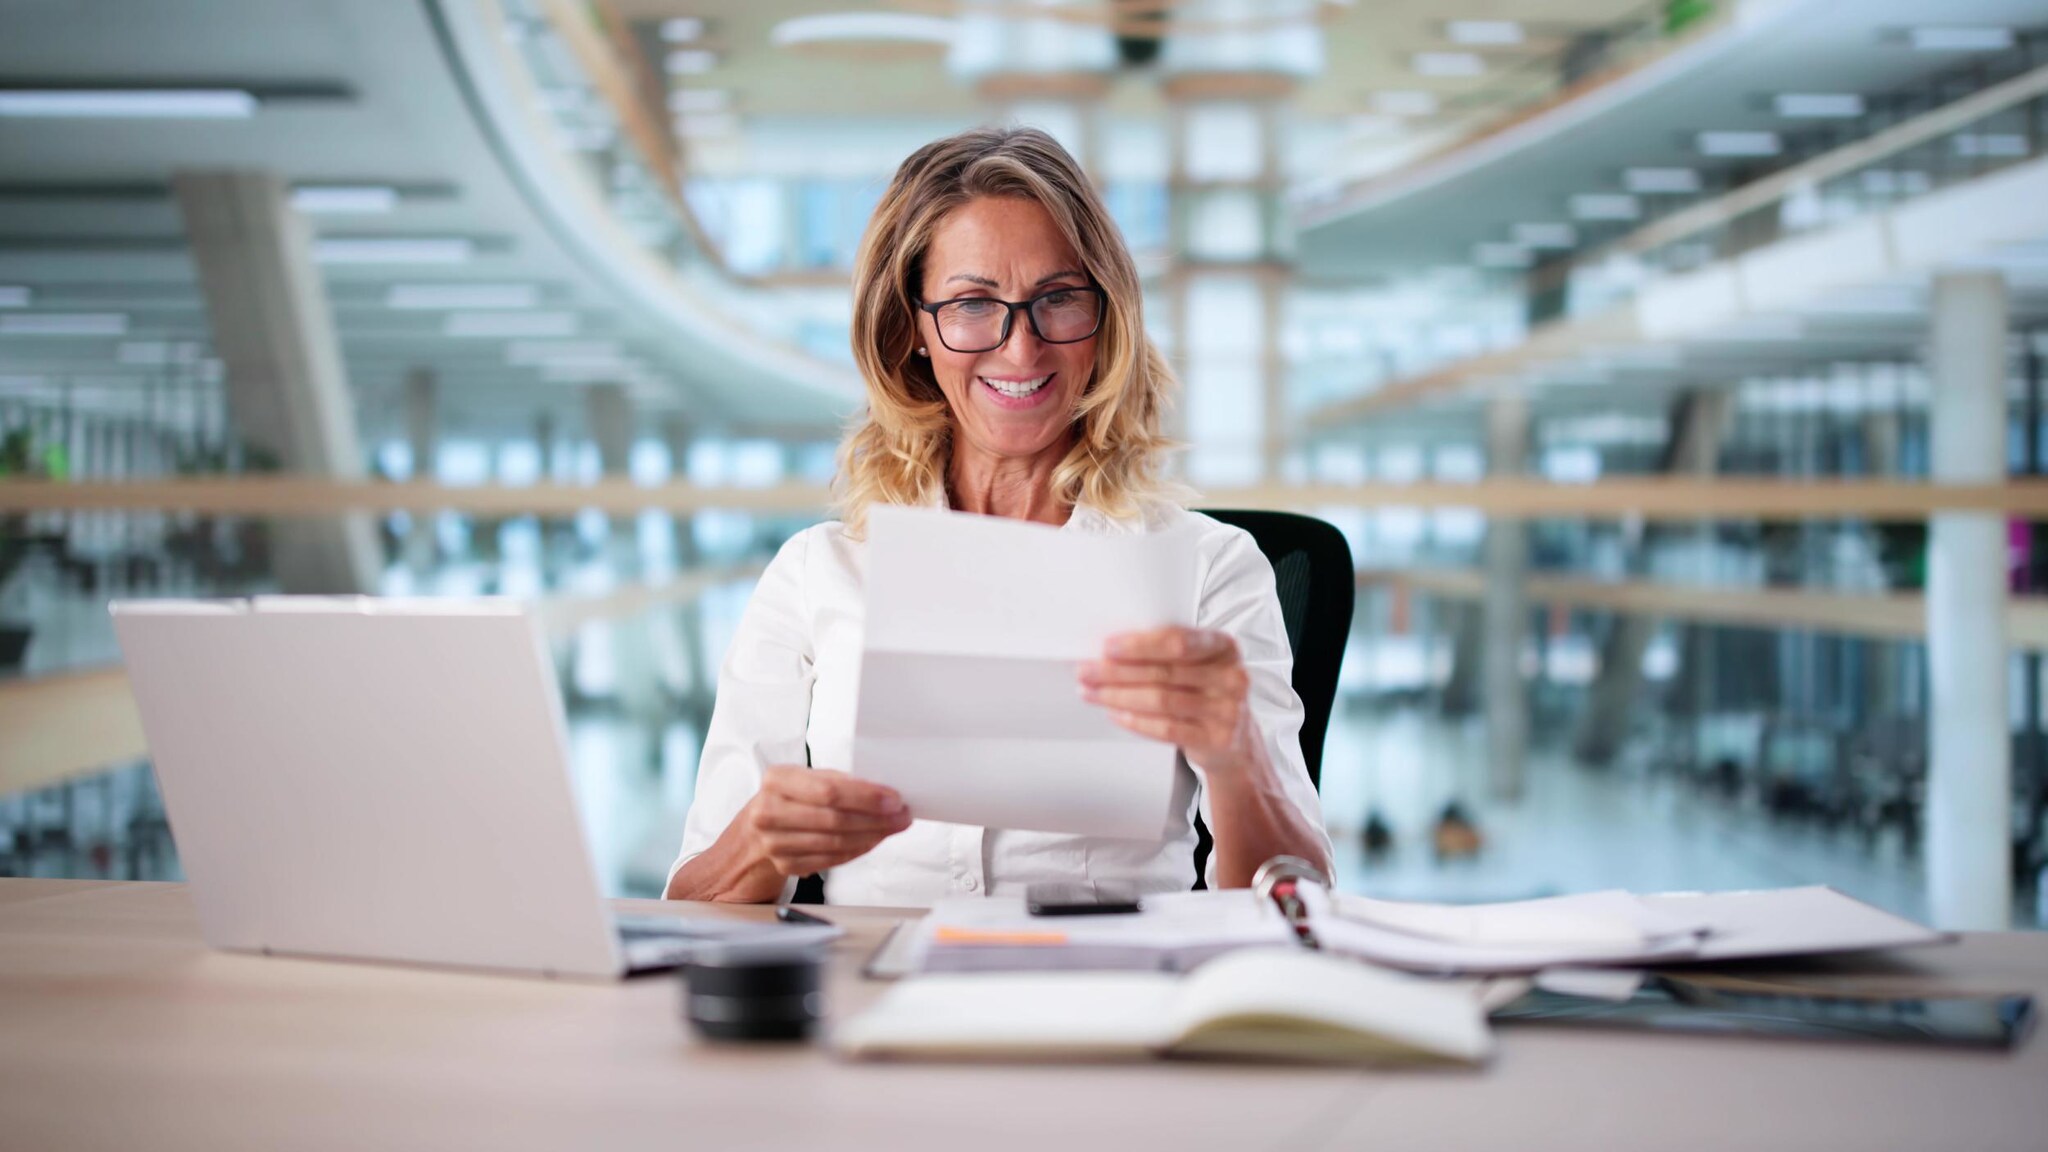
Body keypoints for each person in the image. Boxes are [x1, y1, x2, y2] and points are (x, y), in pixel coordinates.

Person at [664, 126, 1332, 906]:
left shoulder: (1210, 567)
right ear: (913, 329)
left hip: (1105, 1001)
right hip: (875, 1005)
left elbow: (1306, 901)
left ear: (1104, 314)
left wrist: (1235, 757)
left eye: (1057, 299)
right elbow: (691, 911)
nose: (1021, 351)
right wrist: (758, 844)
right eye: (974, 304)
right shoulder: (818, 574)